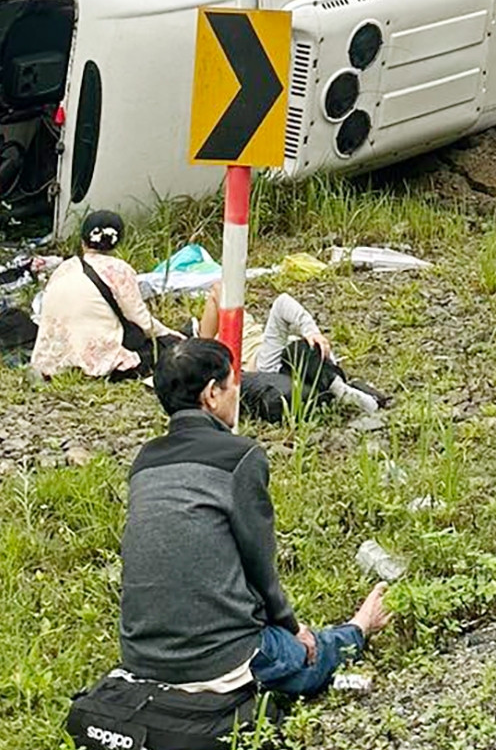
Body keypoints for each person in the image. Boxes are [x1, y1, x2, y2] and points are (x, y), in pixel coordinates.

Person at [120, 337, 391, 696]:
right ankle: (360, 627)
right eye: (234, 383)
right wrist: (293, 629)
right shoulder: (240, 456)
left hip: (142, 660)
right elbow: (258, 562)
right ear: (212, 394)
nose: (239, 392)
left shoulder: (144, 461)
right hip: (222, 662)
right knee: (309, 654)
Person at [31, 211, 179, 380]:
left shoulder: (64, 268)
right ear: (118, 242)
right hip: (96, 363)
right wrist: (171, 334)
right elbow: (141, 320)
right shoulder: (118, 269)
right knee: (168, 348)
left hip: (51, 362)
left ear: (82, 239)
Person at [199, 287, 387, 418]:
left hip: (277, 352)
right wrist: (201, 346)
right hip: (263, 364)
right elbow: (217, 291)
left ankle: (339, 388)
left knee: (305, 348)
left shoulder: (236, 316)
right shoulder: (209, 348)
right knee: (297, 346)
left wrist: (312, 333)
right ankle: (339, 389)